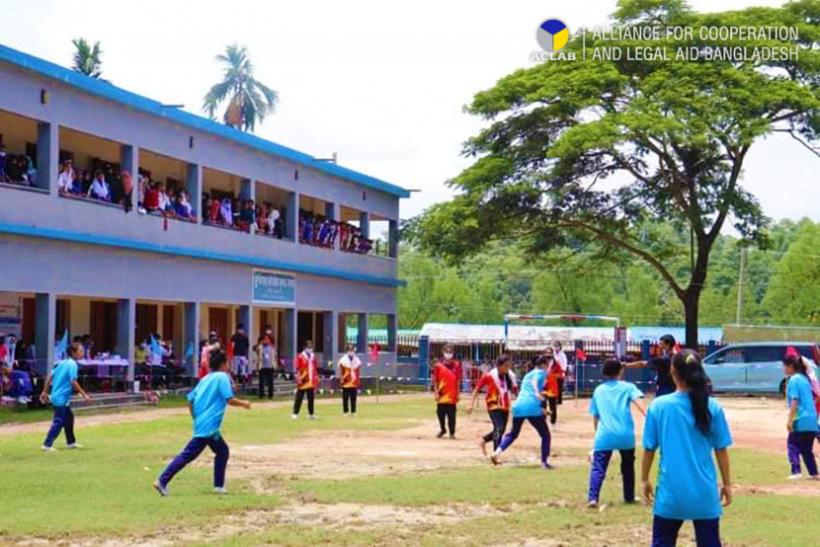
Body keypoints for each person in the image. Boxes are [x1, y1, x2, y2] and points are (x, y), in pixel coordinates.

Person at [641, 350, 733, 547]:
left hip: (670, 494)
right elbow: (721, 450)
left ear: (672, 372)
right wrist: (727, 484)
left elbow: (649, 449)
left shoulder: (659, 406)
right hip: (705, 494)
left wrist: (643, 479)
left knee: (662, 542)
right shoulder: (713, 407)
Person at [153, 350, 250, 496]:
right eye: (227, 363)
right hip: (209, 426)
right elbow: (229, 399)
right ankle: (162, 480)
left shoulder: (205, 379)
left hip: (204, 424)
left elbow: (190, 400)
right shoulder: (222, 377)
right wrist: (244, 403)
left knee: (222, 451)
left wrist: (196, 418)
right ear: (223, 364)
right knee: (188, 454)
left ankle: (219, 486)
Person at [587, 357, 646, 508]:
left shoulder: (598, 390)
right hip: (625, 435)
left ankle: (593, 498)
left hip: (604, 435)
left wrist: (597, 434)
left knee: (598, 467)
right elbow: (641, 406)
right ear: (621, 370)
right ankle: (629, 497)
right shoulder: (628, 387)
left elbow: (595, 415)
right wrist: (649, 417)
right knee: (627, 466)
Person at [490, 355, 553, 468]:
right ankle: (544, 462)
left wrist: (542, 410)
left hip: (519, 405)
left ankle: (497, 452)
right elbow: (534, 384)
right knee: (545, 435)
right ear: (543, 365)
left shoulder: (528, 374)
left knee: (513, 433)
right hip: (531, 406)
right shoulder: (541, 373)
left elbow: (527, 393)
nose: (549, 367)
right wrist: (537, 393)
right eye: (548, 365)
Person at [39, 342, 92, 451]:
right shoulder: (73, 364)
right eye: (81, 351)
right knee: (59, 421)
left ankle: (71, 442)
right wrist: (84, 394)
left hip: (58, 396)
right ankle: (47, 444)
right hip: (60, 398)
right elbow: (73, 381)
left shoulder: (62, 363)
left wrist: (44, 392)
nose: (83, 353)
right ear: (74, 352)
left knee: (69, 418)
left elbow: (50, 377)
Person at [468, 354, 516, 455]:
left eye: (509, 366)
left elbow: (515, 391)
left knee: (500, 430)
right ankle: (495, 454)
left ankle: (484, 440)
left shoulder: (511, 376)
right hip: (493, 404)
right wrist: (470, 404)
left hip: (505, 405)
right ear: (499, 366)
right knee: (499, 428)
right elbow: (477, 389)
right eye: (505, 366)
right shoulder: (489, 376)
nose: (507, 368)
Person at [782, 355, 818, 480]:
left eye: (785, 366)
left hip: (801, 418)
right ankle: (813, 473)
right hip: (812, 418)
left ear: (791, 367)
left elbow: (795, 400)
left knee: (792, 444)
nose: (783, 369)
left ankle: (796, 471)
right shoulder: (805, 379)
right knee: (806, 448)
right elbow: (815, 396)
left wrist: (790, 420)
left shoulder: (794, 379)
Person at [432, 344, 460, 438]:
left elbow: (458, 380)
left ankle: (452, 433)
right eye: (447, 352)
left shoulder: (457, 365)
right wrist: (436, 392)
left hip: (452, 394)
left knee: (452, 415)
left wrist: (458, 393)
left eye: (450, 352)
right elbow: (435, 380)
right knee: (440, 413)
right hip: (442, 393)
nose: (448, 354)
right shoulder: (438, 365)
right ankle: (443, 429)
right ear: (443, 352)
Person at [292, 340, 318, 419]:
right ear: (305, 347)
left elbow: (315, 367)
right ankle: (295, 413)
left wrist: (316, 377)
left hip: (310, 379)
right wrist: (298, 377)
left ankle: (311, 414)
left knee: (311, 398)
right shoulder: (300, 356)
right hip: (303, 379)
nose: (310, 348)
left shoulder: (313, 356)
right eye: (308, 347)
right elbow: (297, 368)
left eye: (311, 347)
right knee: (299, 397)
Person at [338, 344, 362, 417]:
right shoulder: (343, 360)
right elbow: (340, 370)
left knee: (353, 398)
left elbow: (358, 370)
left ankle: (353, 412)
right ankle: (345, 411)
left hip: (354, 382)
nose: (351, 351)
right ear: (347, 351)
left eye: (352, 350)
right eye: (350, 350)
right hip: (346, 381)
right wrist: (341, 378)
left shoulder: (356, 359)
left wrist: (357, 380)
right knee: (345, 398)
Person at [544, 347, 563, 426]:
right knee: (542, 405)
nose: (548, 355)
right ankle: (543, 422)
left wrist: (552, 376)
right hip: (543, 387)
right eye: (546, 353)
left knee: (552, 406)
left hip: (552, 387)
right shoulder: (542, 363)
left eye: (550, 353)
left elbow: (560, 374)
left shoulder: (556, 364)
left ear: (552, 354)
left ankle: (553, 422)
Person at [255, 333, 276, 399]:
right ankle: (261, 394)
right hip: (262, 366)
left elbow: (274, 356)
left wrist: (275, 365)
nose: (266, 341)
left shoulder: (272, 347)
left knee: (270, 382)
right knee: (261, 381)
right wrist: (260, 343)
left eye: (267, 339)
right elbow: (254, 349)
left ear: (269, 340)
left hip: (270, 366)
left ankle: (271, 395)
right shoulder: (260, 347)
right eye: (264, 339)